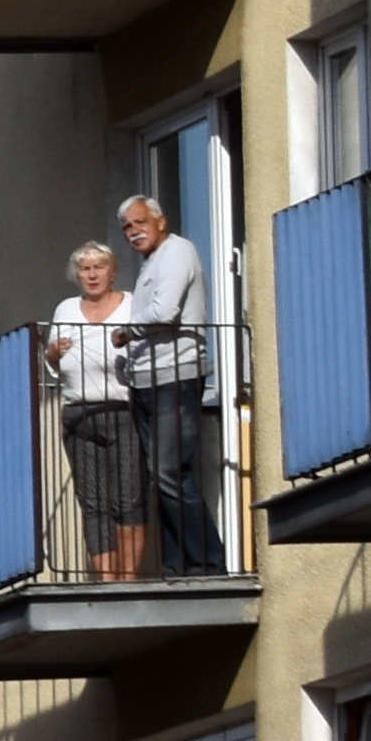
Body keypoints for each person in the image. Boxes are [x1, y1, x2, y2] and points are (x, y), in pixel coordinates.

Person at [118, 195, 221, 576]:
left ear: (161, 221)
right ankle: (179, 564)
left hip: (175, 377)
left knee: (168, 473)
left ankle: (205, 563)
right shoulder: (151, 263)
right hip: (150, 379)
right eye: (127, 227)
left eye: (139, 222)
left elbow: (165, 311)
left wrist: (125, 332)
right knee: (164, 476)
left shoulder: (177, 251)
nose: (133, 232)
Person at [50, 240, 150, 582]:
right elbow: (51, 364)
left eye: (98, 267)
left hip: (123, 411)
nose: (92, 275)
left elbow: (146, 348)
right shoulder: (65, 309)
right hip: (78, 414)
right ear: (77, 275)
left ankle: (128, 576)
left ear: (113, 271)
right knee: (92, 503)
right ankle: (106, 578)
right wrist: (53, 353)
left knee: (128, 497)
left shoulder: (131, 304)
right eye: (85, 269)